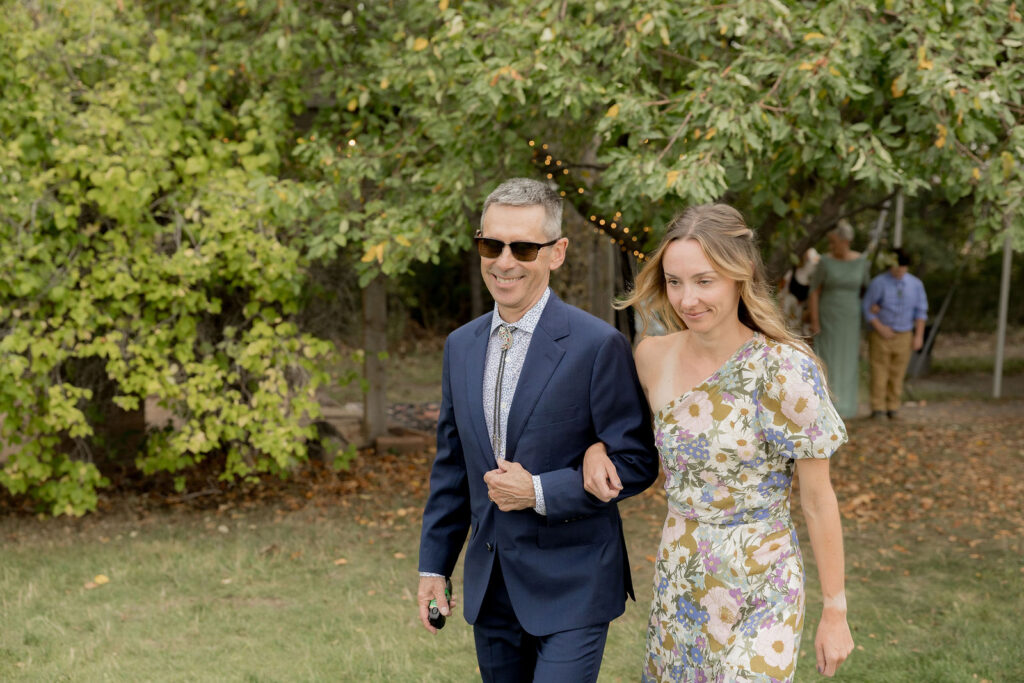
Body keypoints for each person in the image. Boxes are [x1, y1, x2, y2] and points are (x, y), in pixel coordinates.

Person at [583, 205, 854, 681]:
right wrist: (596, 449)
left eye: (704, 281)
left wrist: (835, 610)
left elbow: (817, 500)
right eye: (674, 281)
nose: (687, 299)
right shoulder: (651, 356)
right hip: (681, 575)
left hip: (763, 581)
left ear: (740, 274)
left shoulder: (784, 368)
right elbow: (631, 442)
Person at [416, 178, 659, 682]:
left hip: (575, 582)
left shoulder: (597, 345)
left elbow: (636, 462)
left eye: (523, 247)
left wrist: (540, 492)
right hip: (492, 586)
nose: (504, 261)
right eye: (491, 244)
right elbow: (453, 467)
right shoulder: (460, 346)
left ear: (557, 253)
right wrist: (433, 568)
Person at [808, 219, 870, 418]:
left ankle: (847, 406)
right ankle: (827, 406)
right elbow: (814, 291)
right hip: (828, 317)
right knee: (828, 359)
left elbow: (866, 290)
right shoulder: (824, 262)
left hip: (850, 317)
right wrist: (815, 320)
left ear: (846, 241)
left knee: (848, 360)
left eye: (834, 242)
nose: (831, 246)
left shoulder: (862, 262)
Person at [862, 248, 928, 419]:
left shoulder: (916, 285)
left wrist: (918, 336)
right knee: (879, 371)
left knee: (897, 373)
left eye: (903, 267)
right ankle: (878, 408)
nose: (900, 270)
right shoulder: (879, 283)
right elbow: (868, 309)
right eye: (897, 266)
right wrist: (879, 327)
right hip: (881, 335)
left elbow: (921, 312)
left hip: (904, 333)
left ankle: (893, 406)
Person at [779, 247, 821, 338]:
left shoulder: (812, 273)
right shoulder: (792, 271)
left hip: (803, 318)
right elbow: (783, 292)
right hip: (789, 312)